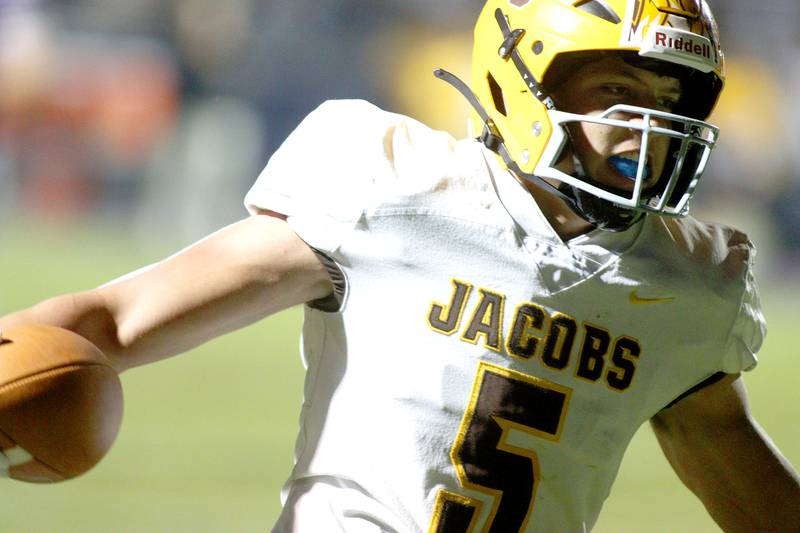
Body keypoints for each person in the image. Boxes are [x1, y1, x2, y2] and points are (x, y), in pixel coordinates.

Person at [3, 0, 799, 531]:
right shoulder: (393, 185)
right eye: (617, 88)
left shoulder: (685, 286)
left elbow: (736, 471)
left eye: (669, 95)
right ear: (518, 79)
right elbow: (117, 318)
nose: (646, 124)